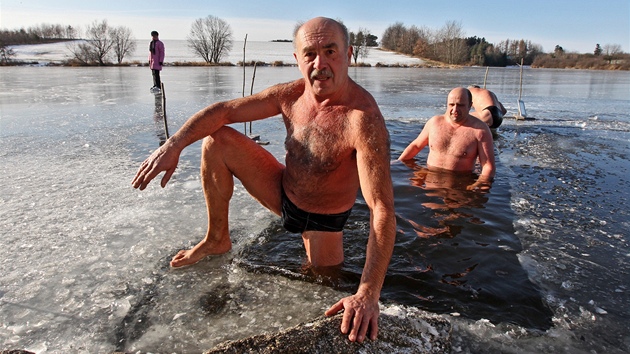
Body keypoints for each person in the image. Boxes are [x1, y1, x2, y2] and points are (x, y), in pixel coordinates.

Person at [132, 17, 396, 343]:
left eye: (330, 51)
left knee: (321, 286)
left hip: (322, 221)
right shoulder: (291, 95)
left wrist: (368, 292)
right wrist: (173, 145)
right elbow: (224, 111)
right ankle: (217, 238)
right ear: (296, 58)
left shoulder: (362, 119)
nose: (320, 64)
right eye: (310, 53)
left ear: (349, 54)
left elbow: (381, 208)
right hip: (281, 191)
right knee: (217, 140)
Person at [398, 87, 495, 190]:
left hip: (460, 185)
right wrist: (398, 163)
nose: (455, 110)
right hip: (430, 181)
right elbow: (416, 146)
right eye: (451, 105)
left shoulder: (480, 131)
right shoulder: (434, 123)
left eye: (460, 105)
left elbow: (488, 166)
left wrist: (477, 186)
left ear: (470, 106)